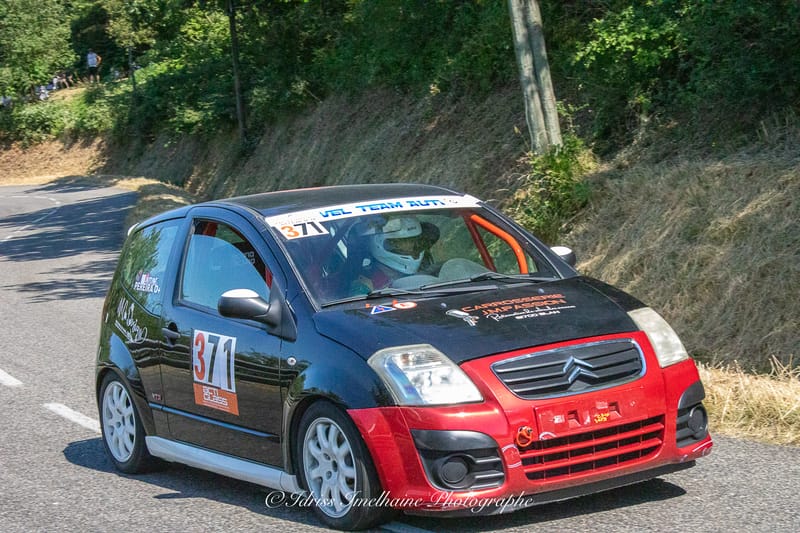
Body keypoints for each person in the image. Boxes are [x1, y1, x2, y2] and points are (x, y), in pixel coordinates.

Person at [351, 216, 437, 294]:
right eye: (400, 242)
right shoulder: (365, 285)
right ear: (379, 244)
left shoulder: (425, 267)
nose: (411, 248)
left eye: (413, 241)